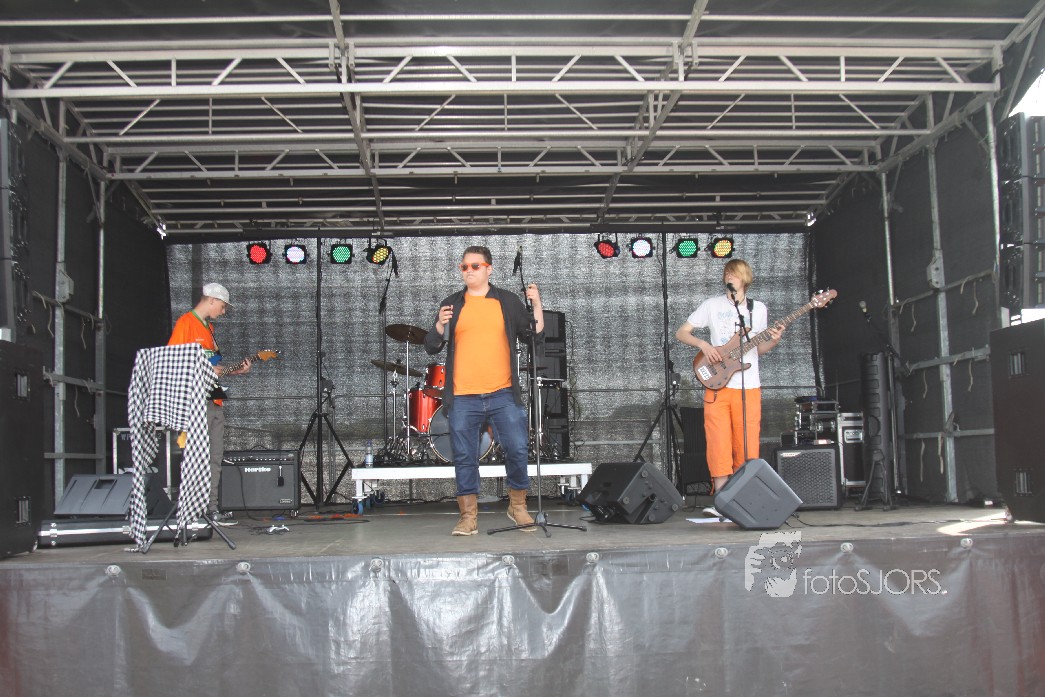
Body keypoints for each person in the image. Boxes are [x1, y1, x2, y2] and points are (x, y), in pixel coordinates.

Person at [424, 246, 544, 535]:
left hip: (502, 392)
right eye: (464, 266)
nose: (469, 271)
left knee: (517, 447)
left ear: (489, 269)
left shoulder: (507, 301)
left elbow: (534, 336)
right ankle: (468, 516)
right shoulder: (452, 304)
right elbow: (431, 346)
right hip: (463, 395)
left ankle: (518, 506)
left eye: (475, 266)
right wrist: (439, 325)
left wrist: (537, 303)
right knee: (465, 456)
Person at [675, 259, 784, 513]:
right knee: (717, 443)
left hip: (748, 386)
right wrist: (704, 345)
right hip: (717, 386)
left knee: (746, 444)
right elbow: (682, 332)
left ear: (745, 278)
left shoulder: (758, 309)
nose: (728, 277)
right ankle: (722, 502)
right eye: (726, 273)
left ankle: (744, 501)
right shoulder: (711, 305)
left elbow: (759, 349)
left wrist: (774, 340)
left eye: (733, 273)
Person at [168, 282, 252, 525]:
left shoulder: (209, 329)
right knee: (196, 457)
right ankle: (192, 510)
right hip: (195, 400)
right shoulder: (186, 323)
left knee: (215, 456)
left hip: (214, 398)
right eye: (222, 306)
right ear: (212, 300)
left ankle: (211, 508)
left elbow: (214, 368)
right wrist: (208, 369)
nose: (223, 312)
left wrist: (236, 370)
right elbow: (172, 360)